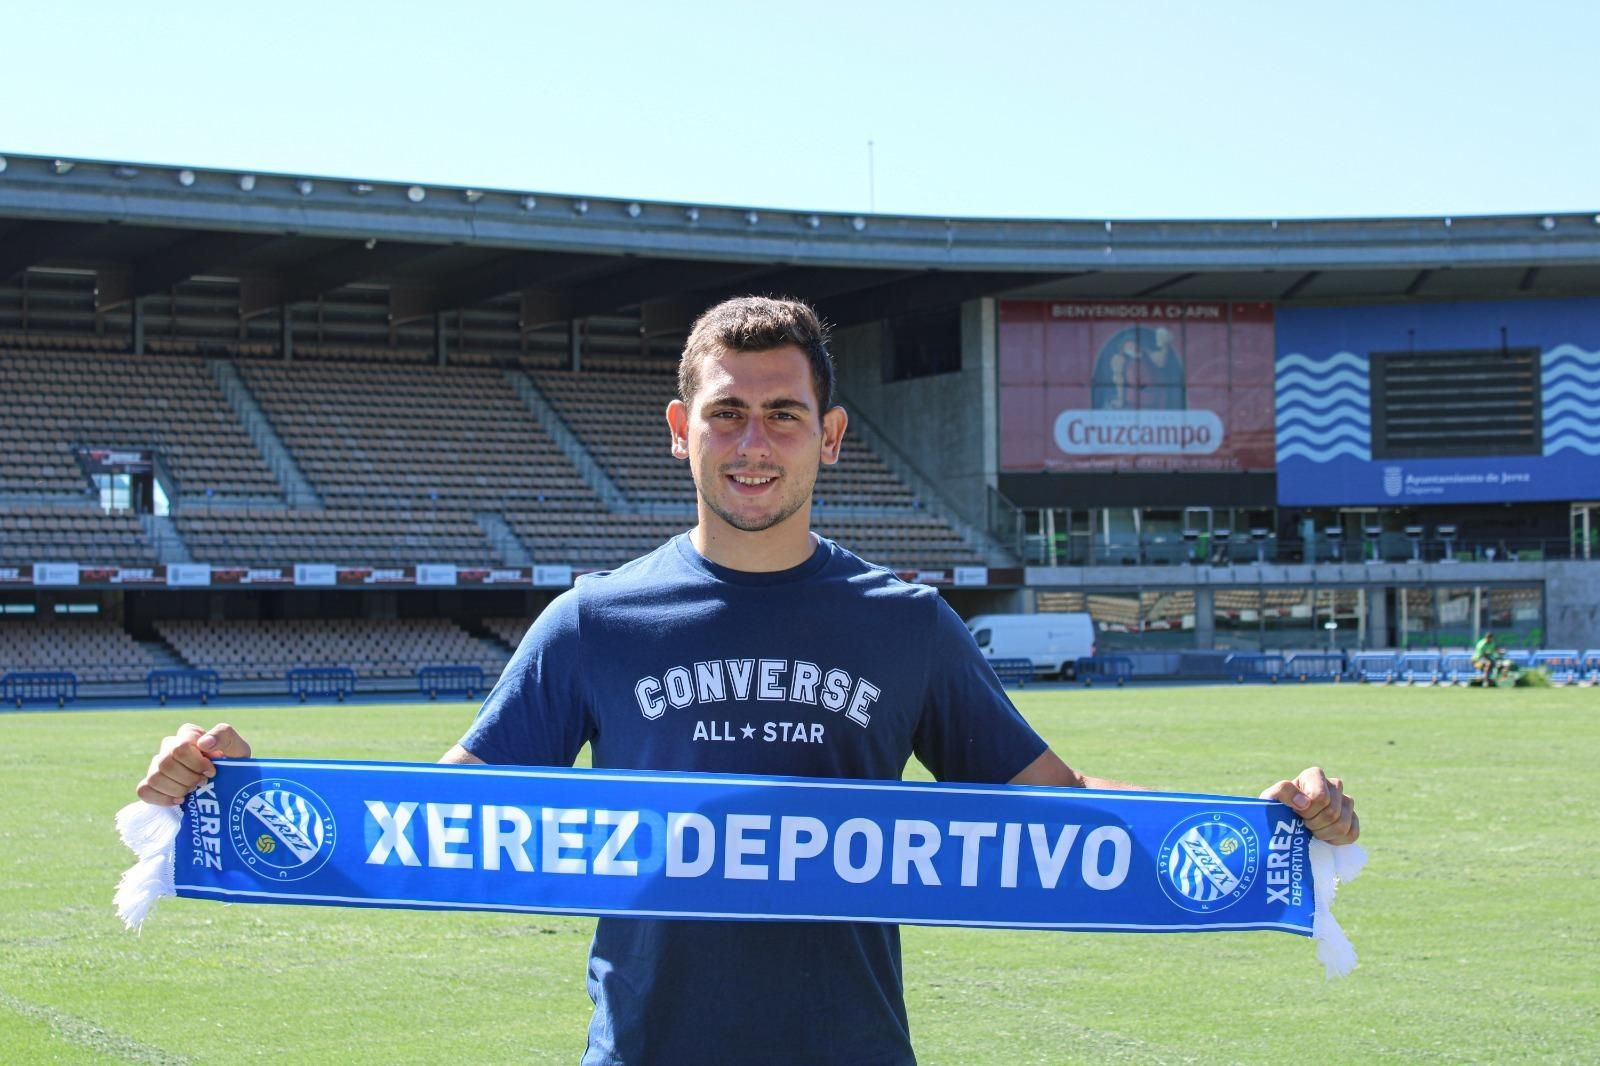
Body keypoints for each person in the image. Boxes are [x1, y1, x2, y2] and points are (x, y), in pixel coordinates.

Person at [137, 296, 1359, 1066]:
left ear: (831, 435)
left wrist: (1259, 831)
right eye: (727, 414)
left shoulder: (907, 625)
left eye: (783, 413)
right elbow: (439, 821)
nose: (754, 440)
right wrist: (234, 792)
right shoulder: (593, 623)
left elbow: (1058, 809)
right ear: (681, 430)